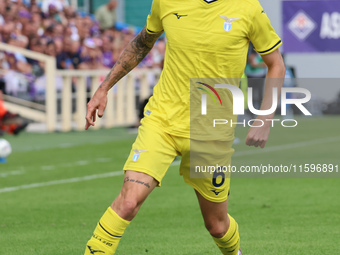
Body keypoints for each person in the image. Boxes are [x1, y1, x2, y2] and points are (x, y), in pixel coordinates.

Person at [84, 0, 285, 254]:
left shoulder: (247, 8)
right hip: (162, 121)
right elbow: (142, 42)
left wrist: (265, 118)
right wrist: (104, 88)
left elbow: (275, 63)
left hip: (212, 133)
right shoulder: (166, 2)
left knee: (217, 226)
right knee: (127, 203)